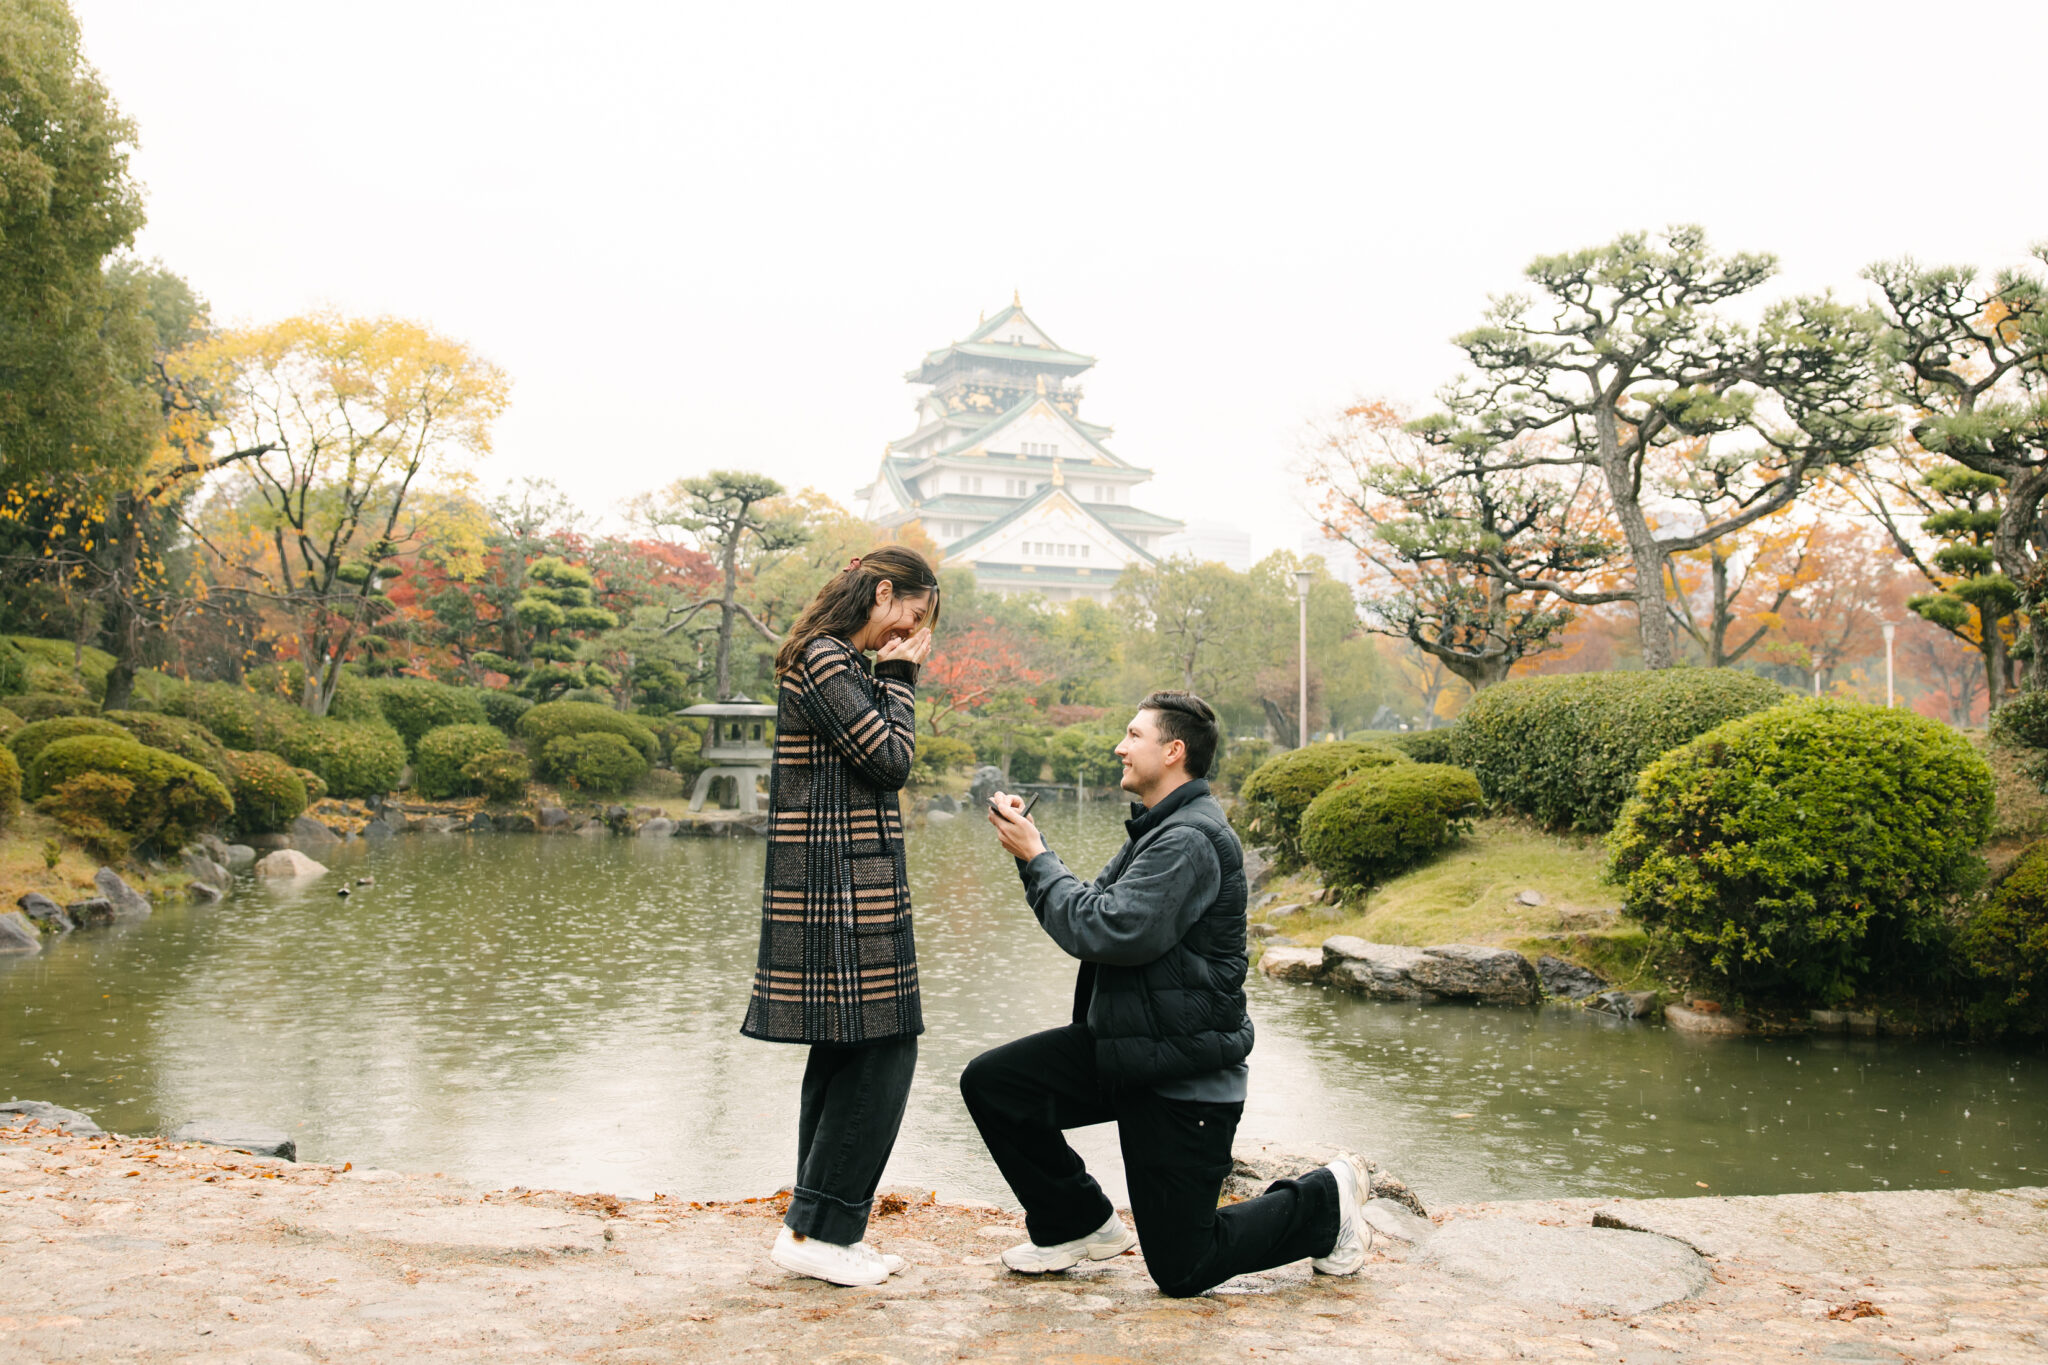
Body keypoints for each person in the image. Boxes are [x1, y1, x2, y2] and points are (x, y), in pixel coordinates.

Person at [963, 690, 1367, 1297]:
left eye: (1133, 736)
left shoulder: (1189, 840)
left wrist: (1037, 855)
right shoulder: (1159, 828)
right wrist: (1032, 850)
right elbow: (1093, 911)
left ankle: (1326, 1202)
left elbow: (1109, 930)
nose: (1119, 747)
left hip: (1182, 1072)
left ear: (1173, 751)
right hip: (1130, 1048)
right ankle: (1075, 1222)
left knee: (1183, 1267)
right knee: (996, 1085)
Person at [741, 545, 940, 1287]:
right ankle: (820, 1229)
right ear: (883, 591)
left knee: (848, 1045)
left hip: (844, 880)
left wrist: (888, 672)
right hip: (834, 884)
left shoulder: (833, 660)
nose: (908, 632)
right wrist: (900, 675)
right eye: (910, 615)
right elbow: (891, 761)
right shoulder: (826, 659)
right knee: (885, 1045)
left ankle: (815, 1226)